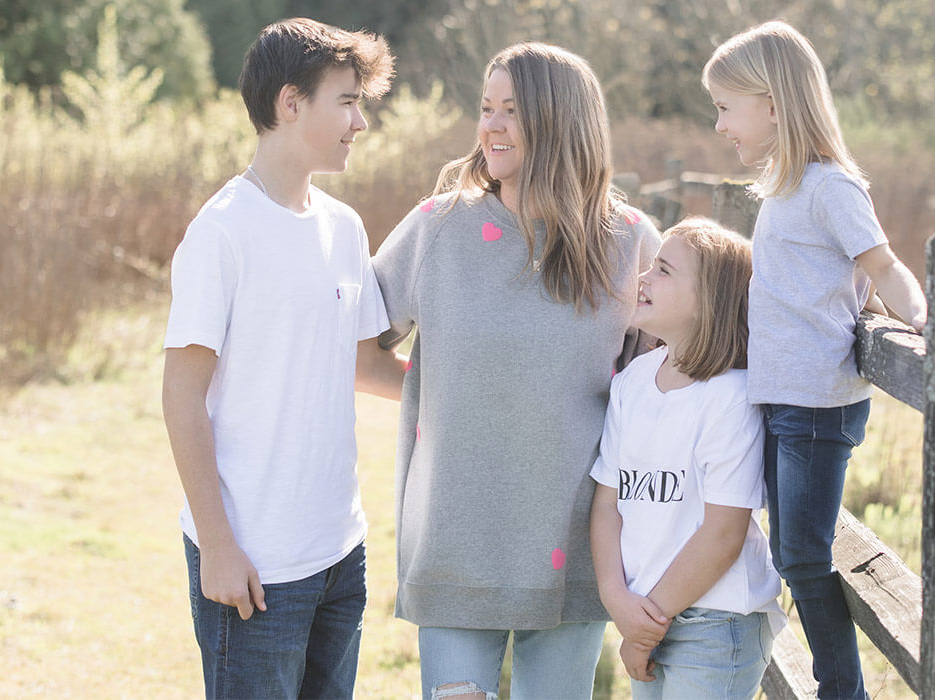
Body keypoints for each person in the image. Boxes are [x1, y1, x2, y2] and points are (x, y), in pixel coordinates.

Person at [371, 42, 662, 700]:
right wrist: (451, 393)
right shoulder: (438, 229)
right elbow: (358, 352)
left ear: (560, 121)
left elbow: (666, 385)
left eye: (512, 110)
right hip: (454, 540)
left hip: (575, 546)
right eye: (486, 108)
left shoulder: (630, 242)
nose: (491, 126)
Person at [161, 18, 405, 699]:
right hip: (253, 564)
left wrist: (463, 391)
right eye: (347, 102)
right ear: (290, 103)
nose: (360, 122)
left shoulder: (344, 227)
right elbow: (181, 396)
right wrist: (217, 545)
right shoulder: (221, 232)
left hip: (339, 552)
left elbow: (365, 366)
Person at [703, 20, 929, 700]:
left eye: (726, 108)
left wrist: (924, 322)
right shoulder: (783, 188)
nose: (720, 125)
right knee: (790, 551)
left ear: (773, 105)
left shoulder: (831, 186)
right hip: (782, 399)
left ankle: (841, 692)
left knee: (801, 555)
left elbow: (881, 265)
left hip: (815, 404)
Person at [588, 218, 786, 699]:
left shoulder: (730, 396)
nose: (643, 276)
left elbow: (722, 534)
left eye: (663, 269)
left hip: (715, 622)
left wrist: (645, 625)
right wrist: (617, 599)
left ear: (707, 301)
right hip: (644, 613)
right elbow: (607, 505)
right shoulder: (632, 382)